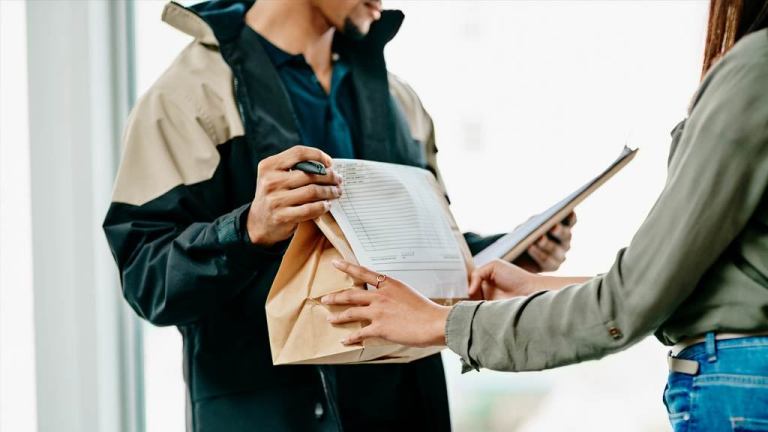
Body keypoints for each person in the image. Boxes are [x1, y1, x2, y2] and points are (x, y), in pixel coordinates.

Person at [103, 0, 574, 430]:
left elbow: (423, 253)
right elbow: (148, 280)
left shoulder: (398, 100)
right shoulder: (189, 99)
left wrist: (510, 253)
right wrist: (250, 230)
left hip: (407, 410)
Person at [321, 1, 768, 430]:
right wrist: (539, 289)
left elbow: (631, 302)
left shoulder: (754, 69)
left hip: (740, 390)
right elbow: (697, 286)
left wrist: (440, 322)